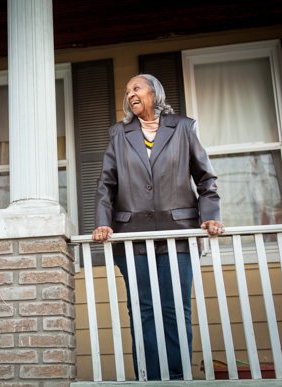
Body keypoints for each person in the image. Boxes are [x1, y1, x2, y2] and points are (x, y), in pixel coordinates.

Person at [92, 74, 224, 380]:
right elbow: (106, 185)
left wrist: (211, 214)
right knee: (143, 312)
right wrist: (102, 223)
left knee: (175, 310)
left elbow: (206, 179)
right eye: (127, 92)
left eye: (136, 88)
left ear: (155, 92)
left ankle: (177, 379)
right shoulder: (119, 134)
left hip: (178, 234)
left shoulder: (183, 127)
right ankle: (148, 379)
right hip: (132, 237)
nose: (130, 95)